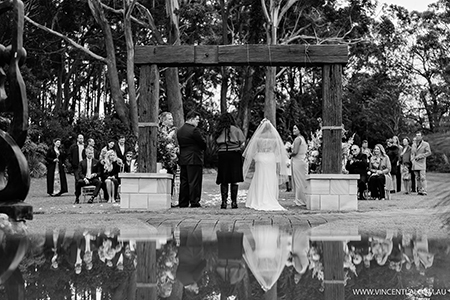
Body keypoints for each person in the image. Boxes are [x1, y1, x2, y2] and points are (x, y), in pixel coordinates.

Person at [243, 119, 289, 211]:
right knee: (270, 177)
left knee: (259, 177)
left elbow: (253, 150)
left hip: (260, 158)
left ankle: (259, 198)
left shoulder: (257, 138)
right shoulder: (275, 138)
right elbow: (278, 151)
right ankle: (270, 197)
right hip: (271, 158)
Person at [214, 113, 245, 209]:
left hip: (223, 154)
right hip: (234, 154)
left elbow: (215, 142)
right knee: (234, 178)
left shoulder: (219, 130)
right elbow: (242, 141)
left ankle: (224, 202)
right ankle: (234, 202)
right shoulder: (236, 129)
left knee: (224, 178)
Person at [176, 111, 207, 208]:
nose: (198, 122)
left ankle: (183, 202)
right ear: (191, 119)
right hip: (194, 158)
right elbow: (202, 143)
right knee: (194, 181)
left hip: (183, 158)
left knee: (184, 181)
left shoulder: (180, 130)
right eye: (197, 119)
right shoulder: (194, 130)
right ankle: (194, 201)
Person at [159, 112, 179, 207]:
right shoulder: (159, 131)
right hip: (163, 159)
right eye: (170, 119)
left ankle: (170, 199)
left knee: (172, 180)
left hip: (172, 158)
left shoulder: (174, 131)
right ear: (164, 121)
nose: (172, 120)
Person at [290, 124, 308, 207]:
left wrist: (288, 154)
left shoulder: (297, 139)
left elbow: (295, 152)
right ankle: (303, 199)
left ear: (299, 130)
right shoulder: (303, 139)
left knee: (298, 181)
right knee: (302, 180)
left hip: (297, 161)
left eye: (295, 128)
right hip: (303, 161)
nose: (293, 130)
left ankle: (299, 200)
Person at [411, 131, 432, 195]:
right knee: (417, 177)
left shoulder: (426, 144)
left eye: (419, 135)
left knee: (422, 177)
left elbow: (428, 153)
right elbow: (412, 153)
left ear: (422, 136)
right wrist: (412, 160)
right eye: (416, 135)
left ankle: (424, 190)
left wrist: (420, 156)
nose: (417, 137)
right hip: (415, 163)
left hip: (421, 162)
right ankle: (419, 190)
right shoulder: (414, 144)